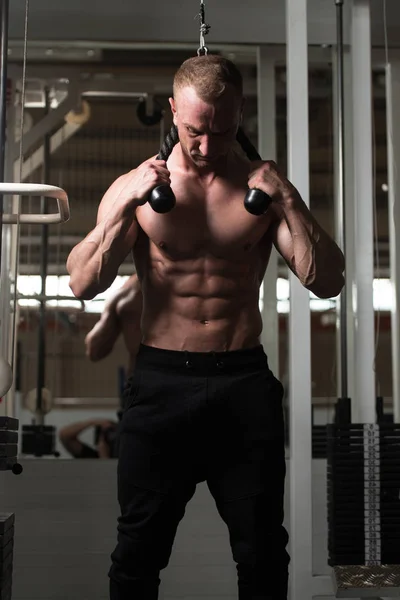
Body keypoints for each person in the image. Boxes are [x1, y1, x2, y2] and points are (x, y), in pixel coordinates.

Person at [67, 54, 345, 600]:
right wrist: (122, 202)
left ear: (238, 113)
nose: (207, 145)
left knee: (263, 553)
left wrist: (288, 197)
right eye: (195, 130)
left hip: (241, 383)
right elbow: (81, 283)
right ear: (173, 111)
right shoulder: (141, 189)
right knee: (136, 554)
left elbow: (328, 280)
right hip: (161, 384)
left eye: (222, 130)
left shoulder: (262, 194)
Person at [84, 273, 143, 375]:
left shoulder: (129, 292)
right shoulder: (128, 293)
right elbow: (94, 349)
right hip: (144, 380)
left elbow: (94, 349)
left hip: (144, 379)